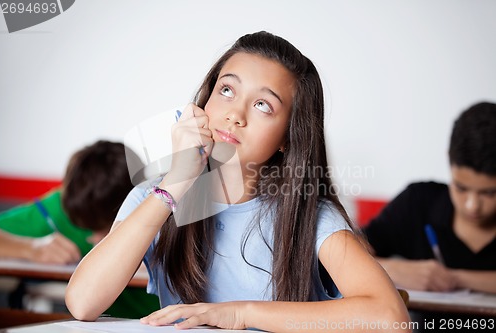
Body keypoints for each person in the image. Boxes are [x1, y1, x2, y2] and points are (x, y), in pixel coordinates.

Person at [66, 31, 411, 332]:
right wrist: (174, 184)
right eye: (227, 90)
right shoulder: (154, 196)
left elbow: (389, 318)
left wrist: (240, 314)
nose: (235, 115)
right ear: (204, 101)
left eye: (263, 105)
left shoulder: (309, 214)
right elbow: (83, 303)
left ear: (288, 137)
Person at [0, 140, 159, 318]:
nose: (93, 240)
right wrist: (29, 248)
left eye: (105, 228)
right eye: (86, 228)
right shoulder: (60, 209)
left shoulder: (161, 206)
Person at [363, 101, 496, 295]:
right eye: (461, 188)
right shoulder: (417, 202)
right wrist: (395, 270)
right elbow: (350, 249)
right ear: (449, 161)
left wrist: (455, 278)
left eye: (489, 193)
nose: (472, 205)